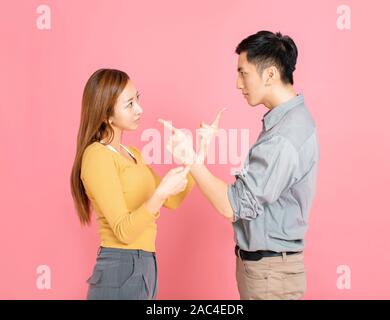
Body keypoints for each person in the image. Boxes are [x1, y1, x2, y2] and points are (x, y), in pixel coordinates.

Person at [161, 30, 320, 300]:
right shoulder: (287, 122)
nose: (238, 83)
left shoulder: (284, 137)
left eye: (243, 73)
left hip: (270, 275)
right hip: (267, 270)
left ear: (269, 74)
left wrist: (191, 158)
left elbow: (233, 205)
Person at [70, 68, 194, 300]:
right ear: (107, 115)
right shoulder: (97, 156)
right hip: (121, 267)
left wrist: (193, 157)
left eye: (138, 99)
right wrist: (159, 194)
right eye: (129, 104)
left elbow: (174, 199)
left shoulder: (133, 154)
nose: (140, 109)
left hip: (145, 266)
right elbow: (124, 231)